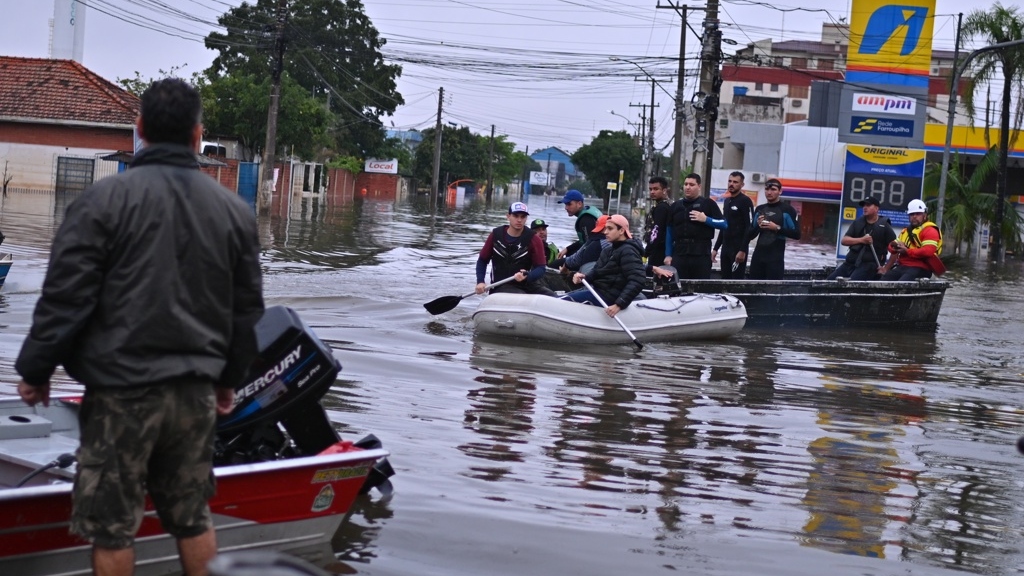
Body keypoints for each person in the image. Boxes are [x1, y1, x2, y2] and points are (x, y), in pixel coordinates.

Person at [15, 78, 265, 576]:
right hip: (194, 392)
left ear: (140, 129)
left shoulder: (100, 203)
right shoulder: (234, 212)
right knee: (193, 518)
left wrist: (35, 370)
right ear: (198, 136)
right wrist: (227, 379)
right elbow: (245, 311)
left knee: (112, 527)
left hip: (120, 393)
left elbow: (65, 300)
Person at [563, 214, 646, 317]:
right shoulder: (608, 250)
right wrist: (584, 278)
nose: (605, 232)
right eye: (605, 228)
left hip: (608, 297)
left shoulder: (628, 251)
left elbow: (638, 279)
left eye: (610, 229)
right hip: (598, 292)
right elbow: (597, 272)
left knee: (564, 301)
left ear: (621, 231)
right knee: (563, 299)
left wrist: (619, 304)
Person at [475, 202, 554, 296]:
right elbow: (482, 261)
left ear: (526, 218)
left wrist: (528, 276)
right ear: (508, 216)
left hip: (526, 285)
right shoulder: (495, 235)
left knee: (554, 297)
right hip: (500, 286)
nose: (519, 220)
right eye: (516, 216)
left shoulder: (534, 239)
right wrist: (480, 281)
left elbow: (541, 268)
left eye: (523, 217)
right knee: (518, 295)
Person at [663, 173, 727, 279]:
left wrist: (706, 219)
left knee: (700, 289)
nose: (688, 187)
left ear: (699, 187)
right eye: (686, 184)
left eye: (692, 185)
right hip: (680, 254)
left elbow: (724, 224)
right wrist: (668, 255)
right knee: (678, 288)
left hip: (701, 255)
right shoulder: (675, 206)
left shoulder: (708, 204)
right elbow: (669, 231)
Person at [740, 178, 801, 280]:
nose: (769, 192)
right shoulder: (760, 209)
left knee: (772, 291)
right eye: (767, 189)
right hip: (758, 258)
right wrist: (758, 226)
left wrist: (776, 228)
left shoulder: (787, 210)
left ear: (780, 191)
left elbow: (797, 234)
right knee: (754, 289)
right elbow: (750, 235)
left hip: (775, 259)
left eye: (773, 189)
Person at [827, 197, 897, 280]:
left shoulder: (885, 226)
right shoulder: (858, 222)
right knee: (829, 281)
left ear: (876, 208)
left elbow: (895, 250)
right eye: (864, 205)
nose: (865, 207)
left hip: (869, 265)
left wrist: (885, 268)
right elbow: (844, 240)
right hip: (850, 263)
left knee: (851, 283)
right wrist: (862, 240)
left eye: (868, 205)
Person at [880, 199, 944, 281]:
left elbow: (928, 251)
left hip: (921, 268)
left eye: (918, 214)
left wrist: (906, 251)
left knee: (902, 283)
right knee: (884, 280)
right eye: (912, 214)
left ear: (924, 215)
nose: (914, 216)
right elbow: (891, 246)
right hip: (903, 266)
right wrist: (894, 246)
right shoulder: (905, 231)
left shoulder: (930, 230)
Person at [713, 171, 754, 279]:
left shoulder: (745, 201)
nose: (731, 184)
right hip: (726, 249)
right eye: (730, 181)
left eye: (735, 182)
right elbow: (724, 226)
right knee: (724, 281)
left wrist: (743, 250)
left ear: (742, 185)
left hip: (738, 249)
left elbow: (749, 227)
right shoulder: (727, 201)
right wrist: (715, 249)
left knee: (736, 282)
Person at [556, 189, 602, 258]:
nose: (566, 208)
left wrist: (569, 262)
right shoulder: (587, 212)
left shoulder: (585, 219)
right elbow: (583, 241)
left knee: (554, 265)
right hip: (599, 250)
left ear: (579, 204)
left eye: (569, 204)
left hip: (596, 256)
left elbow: (589, 246)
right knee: (569, 253)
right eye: (565, 204)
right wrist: (567, 249)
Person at [642, 176, 672, 274]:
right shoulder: (667, 205)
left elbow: (656, 231)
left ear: (664, 190)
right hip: (662, 249)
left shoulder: (662, 208)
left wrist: (646, 253)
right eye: (650, 189)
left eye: (656, 189)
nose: (652, 192)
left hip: (659, 250)